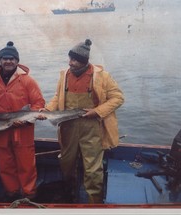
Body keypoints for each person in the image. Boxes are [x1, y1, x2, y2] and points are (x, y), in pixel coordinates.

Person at [41, 39, 124, 203]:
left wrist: (97, 111)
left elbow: (118, 98)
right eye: (69, 58)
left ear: (84, 61)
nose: (70, 63)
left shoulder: (102, 76)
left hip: (92, 128)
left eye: (74, 60)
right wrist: (48, 110)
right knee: (66, 162)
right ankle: (68, 194)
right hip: (67, 127)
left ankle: (95, 201)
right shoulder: (64, 75)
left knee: (93, 168)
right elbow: (58, 97)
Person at [0, 41, 45, 201]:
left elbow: (39, 104)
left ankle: (29, 195)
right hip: (1, 133)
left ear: (17, 61)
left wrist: (24, 120)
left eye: (12, 58)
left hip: (23, 132)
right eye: (5, 58)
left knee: (26, 166)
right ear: (0, 61)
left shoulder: (27, 80)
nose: (8, 61)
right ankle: (11, 195)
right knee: (5, 166)